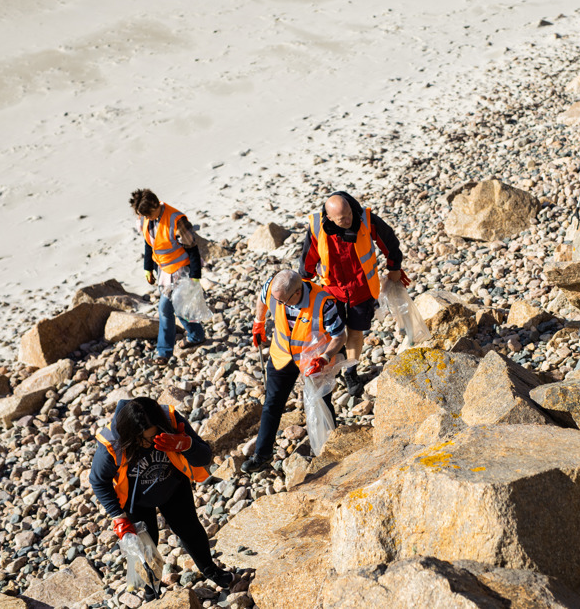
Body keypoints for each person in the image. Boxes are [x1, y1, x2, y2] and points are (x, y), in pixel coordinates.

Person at [90, 397, 234, 598]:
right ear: (130, 436)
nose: (147, 443)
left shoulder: (170, 421)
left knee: (190, 529)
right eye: (142, 440)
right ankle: (151, 590)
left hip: (173, 485)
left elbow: (204, 456)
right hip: (136, 499)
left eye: (152, 436)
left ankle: (211, 570)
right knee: (146, 546)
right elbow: (98, 481)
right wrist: (118, 516)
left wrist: (186, 444)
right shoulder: (113, 444)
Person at [298, 191, 407, 397]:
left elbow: (390, 240)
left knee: (356, 331)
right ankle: (333, 363)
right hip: (332, 290)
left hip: (362, 287)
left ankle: (350, 371)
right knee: (334, 333)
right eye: (342, 219)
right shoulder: (316, 227)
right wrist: (304, 286)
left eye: (349, 214)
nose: (349, 220)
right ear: (329, 218)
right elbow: (308, 258)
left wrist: (395, 267)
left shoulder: (365, 219)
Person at [244, 270, 348, 473]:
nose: (279, 305)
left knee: (321, 402)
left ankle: (329, 449)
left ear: (297, 292)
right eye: (277, 300)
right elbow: (262, 297)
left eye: (283, 302)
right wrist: (259, 321)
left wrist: (324, 358)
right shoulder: (275, 289)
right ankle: (262, 455)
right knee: (272, 403)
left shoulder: (323, 302)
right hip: (282, 355)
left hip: (313, 359)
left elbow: (339, 336)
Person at [130, 189, 205, 366]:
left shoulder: (177, 221)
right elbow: (149, 244)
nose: (146, 217)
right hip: (163, 270)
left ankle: (163, 352)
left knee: (166, 308)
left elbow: (193, 250)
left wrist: (195, 277)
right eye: (143, 215)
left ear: (156, 205)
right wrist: (148, 268)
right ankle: (196, 335)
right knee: (179, 306)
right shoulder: (146, 218)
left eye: (148, 213)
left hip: (182, 269)